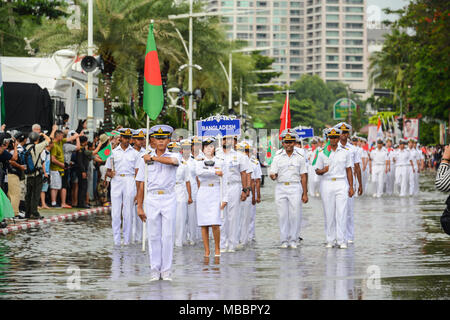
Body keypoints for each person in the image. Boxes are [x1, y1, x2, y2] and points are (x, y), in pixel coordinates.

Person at [136, 124, 180, 281]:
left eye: (164, 138)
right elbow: (141, 183)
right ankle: (155, 270)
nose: (161, 141)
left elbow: (173, 162)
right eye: (158, 138)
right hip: (152, 198)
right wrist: (140, 206)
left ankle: (166, 271)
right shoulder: (145, 159)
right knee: (153, 235)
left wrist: (153, 158)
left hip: (169, 197)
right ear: (152, 139)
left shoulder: (174, 155)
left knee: (168, 236)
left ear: (169, 140)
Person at [315, 128, 354, 249]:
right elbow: (317, 170)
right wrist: (323, 170)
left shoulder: (346, 152)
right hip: (327, 183)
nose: (333, 140)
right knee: (329, 213)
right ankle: (330, 240)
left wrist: (351, 187)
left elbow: (349, 170)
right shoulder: (322, 152)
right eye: (331, 138)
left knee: (342, 212)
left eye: (335, 137)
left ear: (338, 138)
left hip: (341, 182)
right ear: (328, 139)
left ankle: (342, 240)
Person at [269, 129, 308, 249]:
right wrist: (273, 175)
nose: (289, 144)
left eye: (291, 142)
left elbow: (303, 176)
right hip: (281, 187)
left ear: (294, 142)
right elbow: (273, 173)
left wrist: (305, 193)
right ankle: (284, 240)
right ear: (283, 143)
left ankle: (294, 239)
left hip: (295, 186)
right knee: (282, 215)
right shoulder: (277, 157)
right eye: (286, 142)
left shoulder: (300, 157)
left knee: (295, 214)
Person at [105, 128, 140, 246]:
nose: (127, 140)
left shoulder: (135, 154)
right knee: (115, 212)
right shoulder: (113, 152)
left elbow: (137, 172)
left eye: (129, 138)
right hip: (117, 180)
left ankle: (126, 240)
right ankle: (116, 240)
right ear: (121, 138)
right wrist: (111, 174)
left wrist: (137, 189)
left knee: (128, 212)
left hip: (130, 180)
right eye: (125, 138)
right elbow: (107, 171)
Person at [195, 136, 228, 257]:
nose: (209, 149)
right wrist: (214, 172)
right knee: (204, 224)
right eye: (206, 147)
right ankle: (207, 250)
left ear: (214, 148)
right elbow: (199, 173)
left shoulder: (220, 161)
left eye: (211, 146)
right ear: (202, 149)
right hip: (203, 191)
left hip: (215, 191)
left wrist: (225, 198)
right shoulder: (198, 161)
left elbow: (224, 180)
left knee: (215, 223)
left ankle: (218, 248)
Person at [218, 134, 249, 253]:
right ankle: (222, 244)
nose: (226, 141)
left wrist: (245, 190)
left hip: (234, 186)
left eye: (229, 139)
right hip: (220, 187)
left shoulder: (239, 156)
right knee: (221, 217)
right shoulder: (216, 155)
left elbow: (244, 173)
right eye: (224, 139)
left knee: (233, 216)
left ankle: (232, 244)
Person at [24, 127, 54, 219]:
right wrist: (43, 134)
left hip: (28, 174)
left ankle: (27, 213)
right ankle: (35, 213)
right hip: (36, 174)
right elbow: (49, 140)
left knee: (28, 194)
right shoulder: (37, 147)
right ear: (37, 139)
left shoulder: (27, 147)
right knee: (36, 194)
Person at [50, 130, 78, 208]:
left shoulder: (61, 142)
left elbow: (69, 139)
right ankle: (53, 202)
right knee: (54, 186)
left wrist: (77, 135)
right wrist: (61, 164)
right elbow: (53, 159)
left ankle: (55, 202)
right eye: (62, 136)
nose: (63, 137)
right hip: (55, 168)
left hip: (60, 168)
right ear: (58, 136)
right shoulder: (54, 145)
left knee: (58, 186)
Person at [174, 139, 193, 247]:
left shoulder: (183, 165)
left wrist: (189, 196)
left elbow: (187, 181)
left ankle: (179, 241)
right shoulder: (167, 162)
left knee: (181, 217)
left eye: (177, 150)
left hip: (180, 189)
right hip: (170, 190)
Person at [75, 136, 90, 208]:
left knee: (84, 186)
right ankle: (81, 203)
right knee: (83, 186)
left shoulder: (83, 149)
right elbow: (80, 161)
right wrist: (83, 171)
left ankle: (82, 202)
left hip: (83, 170)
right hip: (81, 170)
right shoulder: (80, 150)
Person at [40, 141, 53, 209]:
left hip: (47, 172)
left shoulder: (48, 152)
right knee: (42, 189)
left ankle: (43, 203)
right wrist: (45, 173)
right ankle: (42, 204)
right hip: (44, 173)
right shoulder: (44, 152)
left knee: (44, 189)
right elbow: (43, 163)